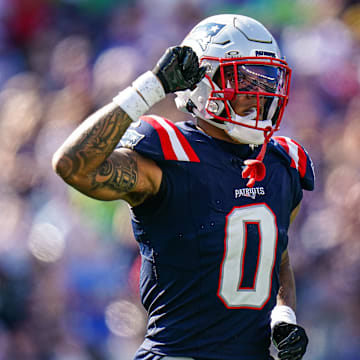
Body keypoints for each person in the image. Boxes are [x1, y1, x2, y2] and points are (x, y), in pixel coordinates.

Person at [52, 14, 314, 360]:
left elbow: (276, 256)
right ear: (204, 82)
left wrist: (283, 315)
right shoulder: (169, 154)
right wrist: (152, 86)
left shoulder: (283, 165)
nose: (259, 93)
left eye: (267, 79)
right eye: (246, 78)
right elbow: (73, 164)